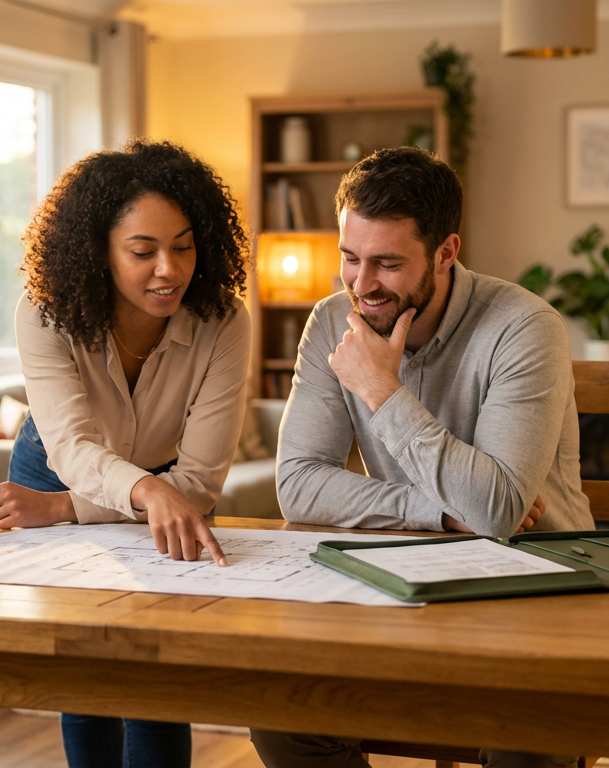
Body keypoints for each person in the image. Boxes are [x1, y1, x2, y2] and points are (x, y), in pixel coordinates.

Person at [250, 147, 590, 768]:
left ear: (446, 252)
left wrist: (382, 389)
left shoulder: (525, 327)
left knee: (528, 743)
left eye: (387, 263)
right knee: (283, 715)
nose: (362, 284)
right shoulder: (332, 322)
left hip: (536, 586)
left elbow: (496, 513)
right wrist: (440, 513)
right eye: (350, 259)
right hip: (403, 576)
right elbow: (298, 485)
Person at [0, 139, 251, 768]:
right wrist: (146, 492)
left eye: (183, 245)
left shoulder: (223, 320)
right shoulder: (44, 314)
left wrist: (66, 510)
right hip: (51, 465)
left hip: (135, 483)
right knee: (86, 671)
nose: (169, 270)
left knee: (155, 667)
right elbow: (71, 446)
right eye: (143, 251)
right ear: (100, 252)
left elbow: (198, 482)